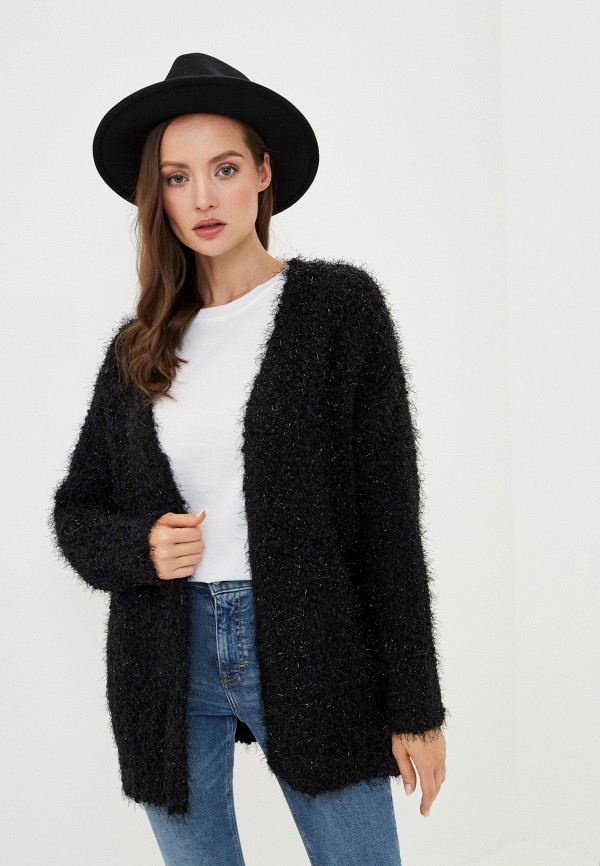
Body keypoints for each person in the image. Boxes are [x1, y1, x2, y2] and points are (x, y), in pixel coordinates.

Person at [50, 52, 448, 865]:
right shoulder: (138, 347)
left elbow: (387, 522)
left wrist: (416, 707)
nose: (202, 197)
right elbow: (77, 510)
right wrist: (140, 546)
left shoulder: (338, 310)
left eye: (224, 169)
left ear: (264, 174)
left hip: (312, 642)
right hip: (167, 657)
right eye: (177, 177)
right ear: (157, 195)